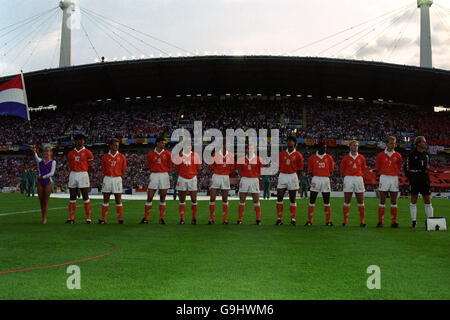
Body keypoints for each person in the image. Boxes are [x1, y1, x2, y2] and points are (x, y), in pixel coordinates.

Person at [140, 137, 172, 224]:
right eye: (162, 143)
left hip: (164, 174)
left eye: (164, 143)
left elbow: (169, 165)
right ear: (157, 143)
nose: (164, 144)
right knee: (149, 197)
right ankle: (146, 218)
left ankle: (161, 218)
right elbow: (149, 165)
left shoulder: (168, 154)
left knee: (163, 197)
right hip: (154, 175)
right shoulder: (150, 154)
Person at [404, 136, 433, 228]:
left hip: (425, 181)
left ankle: (430, 221)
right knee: (413, 200)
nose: (425, 143)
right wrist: (412, 178)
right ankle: (413, 221)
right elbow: (407, 169)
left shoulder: (426, 155)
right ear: (418, 143)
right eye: (424, 142)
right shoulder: (411, 155)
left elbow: (427, 169)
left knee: (428, 200)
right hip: (415, 181)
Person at [275, 136, 304, 226]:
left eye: (291, 141)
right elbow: (278, 166)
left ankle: (293, 219)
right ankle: (279, 219)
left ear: (294, 143)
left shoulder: (298, 155)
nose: (289, 143)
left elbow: (300, 169)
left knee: (292, 198)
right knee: (279, 197)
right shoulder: (282, 154)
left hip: (292, 175)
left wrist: (296, 178)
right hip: (283, 175)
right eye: (288, 141)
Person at [375, 136, 403, 228]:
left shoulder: (398, 155)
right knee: (382, 200)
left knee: (394, 201)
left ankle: (393, 222)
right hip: (384, 177)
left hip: (394, 178)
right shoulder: (380, 155)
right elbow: (378, 168)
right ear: (387, 144)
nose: (393, 145)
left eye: (394, 143)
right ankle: (380, 222)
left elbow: (399, 167)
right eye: (391, 143)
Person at [66, 134, 94, 224]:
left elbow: (90, 166)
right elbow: (69, 165)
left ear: (84, 141)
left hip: (83, 174)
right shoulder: (70, 153)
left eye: (82, 140)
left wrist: (86, 175)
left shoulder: (88, 152)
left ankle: (88, 218)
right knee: (72, 196)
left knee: (85, 195)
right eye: (78, 140)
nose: (80, 141)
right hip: (73, 173)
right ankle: (71, 218)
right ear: (75, 141)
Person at [99, 138, 127, 224]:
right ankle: (104, 219)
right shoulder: (105, 157)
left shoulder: (122, 156)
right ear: (110, 146)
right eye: (115, 145)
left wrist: (118, 175)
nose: (116, 147)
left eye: (117, 145)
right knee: (106, 199)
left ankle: (120, 219)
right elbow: (103, 169)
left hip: (117, 178)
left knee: (118, 199)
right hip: (107, 178)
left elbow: (124, 169)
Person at [306, 142, 335, 226]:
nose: (325, 149)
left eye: (325, 147)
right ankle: (310, 221)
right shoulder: (312, 158)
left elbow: (331, 170)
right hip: (316, 179)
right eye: (323, 147)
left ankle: (328, 221)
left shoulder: (329, 157)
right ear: (318, 148)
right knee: (312, 200)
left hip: (326, 179)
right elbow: (310, 171)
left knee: (327, 201)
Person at [340, 140, 367, 227]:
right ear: (350, 147)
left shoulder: (362, 158)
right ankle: (345, 221)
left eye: (356, 146)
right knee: (347, 200)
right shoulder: (345, 158)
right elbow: (342, 171)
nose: (355, 147)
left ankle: (362, 221)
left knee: (360, 201)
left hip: (359, 178)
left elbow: (363, 169)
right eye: (353, 145)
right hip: (348, 178)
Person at [174, 140, 202, 225]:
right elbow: (177, 168)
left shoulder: (195, 155)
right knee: (182, 199)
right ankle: (182, 219)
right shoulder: (179, 156)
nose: (189, 147)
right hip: (182, 178)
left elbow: (198, 167)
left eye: (190, 145)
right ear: (183, 146)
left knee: (194, 199)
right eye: (187, 145)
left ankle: (194, 218)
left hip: (192, 178)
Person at [236, 143, 264, 225]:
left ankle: (258, 219)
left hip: (254, 180)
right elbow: (239, 170)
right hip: (244, 179)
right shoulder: (241, 159)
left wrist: (257, 177)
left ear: (254, 150)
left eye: (252, 148)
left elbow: (261, 170)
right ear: (246, 149)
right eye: (249, 148)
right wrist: (244, 176)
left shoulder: (258, 159)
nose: (250, 150)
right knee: (242, 199)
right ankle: (239, 219)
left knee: (256, 200)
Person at [209, 139, 235, 224]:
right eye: (227, 144)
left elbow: (232, 167)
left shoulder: (231, 155)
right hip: (216, 176)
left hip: (225, 177)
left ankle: (225, 219)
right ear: (222, 145)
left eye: (229, 144)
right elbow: (211, 166)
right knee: (212, 198)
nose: (228, 146)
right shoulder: (215, 155)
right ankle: (212, 219)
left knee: (225, 199)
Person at [32, 146, 56, 224]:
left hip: (47, 181)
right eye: (45, 151)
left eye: (48, 151)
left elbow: (52, 173)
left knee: (45, 200)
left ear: (51, 153)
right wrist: (35, 151)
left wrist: (43, 177)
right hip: (40, 182)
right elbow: (36, 157)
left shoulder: (53, 162)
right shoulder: (40, 161)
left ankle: (44, 218)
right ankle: (43, 215)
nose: (46, 153)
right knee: (41, 200)